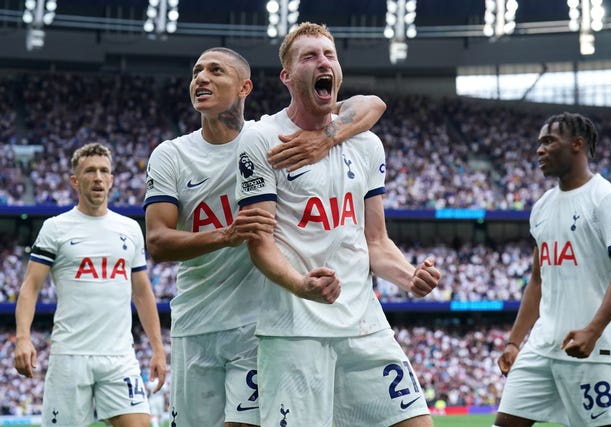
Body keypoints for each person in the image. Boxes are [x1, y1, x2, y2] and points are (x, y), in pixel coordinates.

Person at [143, 46, 385, 427]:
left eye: (215, 71)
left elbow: (371, 104)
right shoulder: (172, 155)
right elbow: (156, 242)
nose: (201, 78)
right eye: (196, 72)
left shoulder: (269, 140)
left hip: (257, 323)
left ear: (245, 87)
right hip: (196, 321)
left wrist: (327, 138)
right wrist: (225, 235)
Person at [235, 22, 441, 426]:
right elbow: (258, 243)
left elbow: (376, 241)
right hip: (295, 330)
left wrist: (408, 275)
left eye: (329, 55)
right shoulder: (262, 139)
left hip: (364, 325)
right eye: (309, 56)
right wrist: (301, 286)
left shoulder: (366, 144)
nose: (322, 62)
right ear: (287, 76)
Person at [494, 112, 611, 427]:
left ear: (577, 144)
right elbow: (537, 280)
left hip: (593, 349)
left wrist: (593, 330)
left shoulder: (607, 199)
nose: (539, 150)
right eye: (538, 143)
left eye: (549, 141)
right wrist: (514, 342)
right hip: (542, 348)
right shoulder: (542, 206)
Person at [13, 143, 166, 427]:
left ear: (111, 179)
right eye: (90, 171)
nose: (98, 177)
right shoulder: (56, 228)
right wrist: (22, 337)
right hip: (71, 356)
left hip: (120, 355)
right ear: (75, 180)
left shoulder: (130, 229)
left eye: (104, 171)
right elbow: (30, 287)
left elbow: (143, 293)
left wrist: (158, 348)